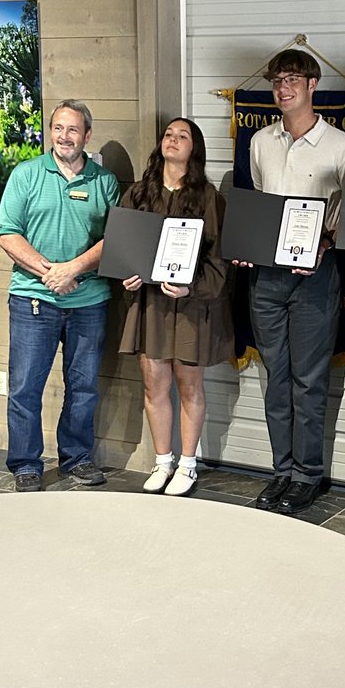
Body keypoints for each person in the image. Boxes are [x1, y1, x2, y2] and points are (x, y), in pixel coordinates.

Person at [241, 48, 345, 515]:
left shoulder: (340, 146)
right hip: (268, 277)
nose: (283, 88)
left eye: (292, 79)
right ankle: (282, 470)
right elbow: (260, 201)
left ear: (313, 85)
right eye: (277, 81)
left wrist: (326, 242)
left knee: (308, 381)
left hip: (315, 276)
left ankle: (307, 475)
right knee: (276, 378)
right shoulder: (260, 142)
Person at [0, 100, 119, 491]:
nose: (65, 137)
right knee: (25, 388)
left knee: (83, 387)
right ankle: (25, 464)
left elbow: (114, 239)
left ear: (87, 135)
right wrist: (51, 273)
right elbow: (7, 233)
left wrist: (73, 269)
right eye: (58, 128)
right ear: (51, 132)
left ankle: (76, 458)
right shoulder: (27, 174)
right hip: (33, 299)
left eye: (73, 129)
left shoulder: (104, 182)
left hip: (88, 301)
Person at [119, 118, 233, 495]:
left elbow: (218, 258)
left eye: (182, 136)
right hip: (150, 303)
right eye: (168, 134)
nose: (173, 139)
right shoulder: (138, 193)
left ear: (194, 149)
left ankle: (187, 465)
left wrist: (191, 287)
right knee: (154, 383)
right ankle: (162, 461)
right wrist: (127, 275)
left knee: (189, 385)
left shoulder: (208, 197)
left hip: (190, 305)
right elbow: (124, 246)